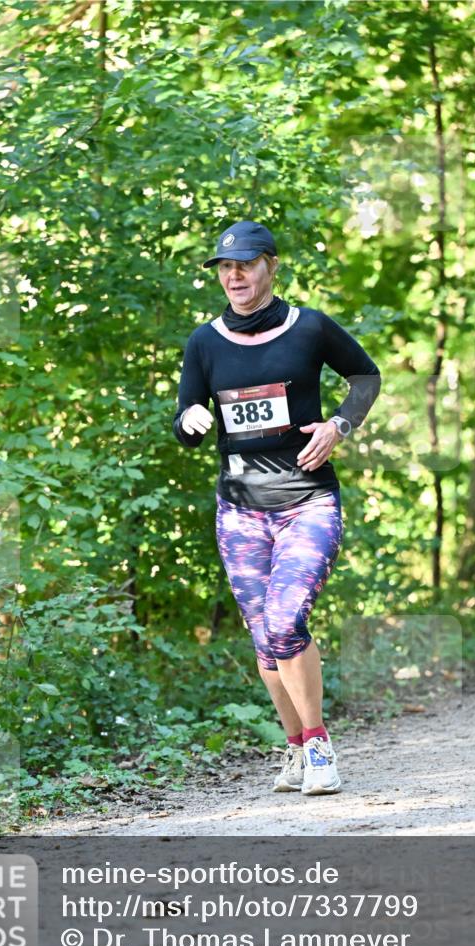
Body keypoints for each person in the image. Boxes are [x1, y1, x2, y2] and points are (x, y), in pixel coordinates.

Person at [172, 221, 380, 795]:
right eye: (225, 267)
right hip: (240, 510)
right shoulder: (205, 342)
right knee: (265, 635)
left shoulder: (309, 327)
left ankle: (318, 746)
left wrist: (338, 425)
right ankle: (294, 749)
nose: (234, 275)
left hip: (307, 501)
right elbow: (185, 421)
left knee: (286, 619)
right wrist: (190, 418)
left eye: (245, 264)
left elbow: (366, 376)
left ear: (271, 266)